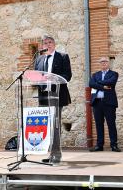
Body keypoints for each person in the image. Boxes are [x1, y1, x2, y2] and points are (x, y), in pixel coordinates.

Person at [34, 35, 72, 163]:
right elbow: (36, 75)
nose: (48, 44)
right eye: (45, 43)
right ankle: (50, 153)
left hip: (57, 94)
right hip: (44, 96)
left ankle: (56, 154)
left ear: (54, 44)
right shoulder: (39, 59)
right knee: (47, 125)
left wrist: (55, 78)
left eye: (50, 42)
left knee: (55, 125)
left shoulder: (62, 57)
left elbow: (68, 75)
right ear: (42, 46)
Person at [89, 57, 121, 152]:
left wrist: (98, 84)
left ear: (108, 63)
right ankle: (99, 145)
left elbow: (111, 82)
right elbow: (91, 84)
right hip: (97, 102)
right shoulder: (95, 74)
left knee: (111, 124)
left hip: (109, 103)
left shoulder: (114, 74)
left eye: (105, 61)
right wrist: (103, 86)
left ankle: (114, 145)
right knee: (99, 124)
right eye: (102, 62)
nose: (103, 63)